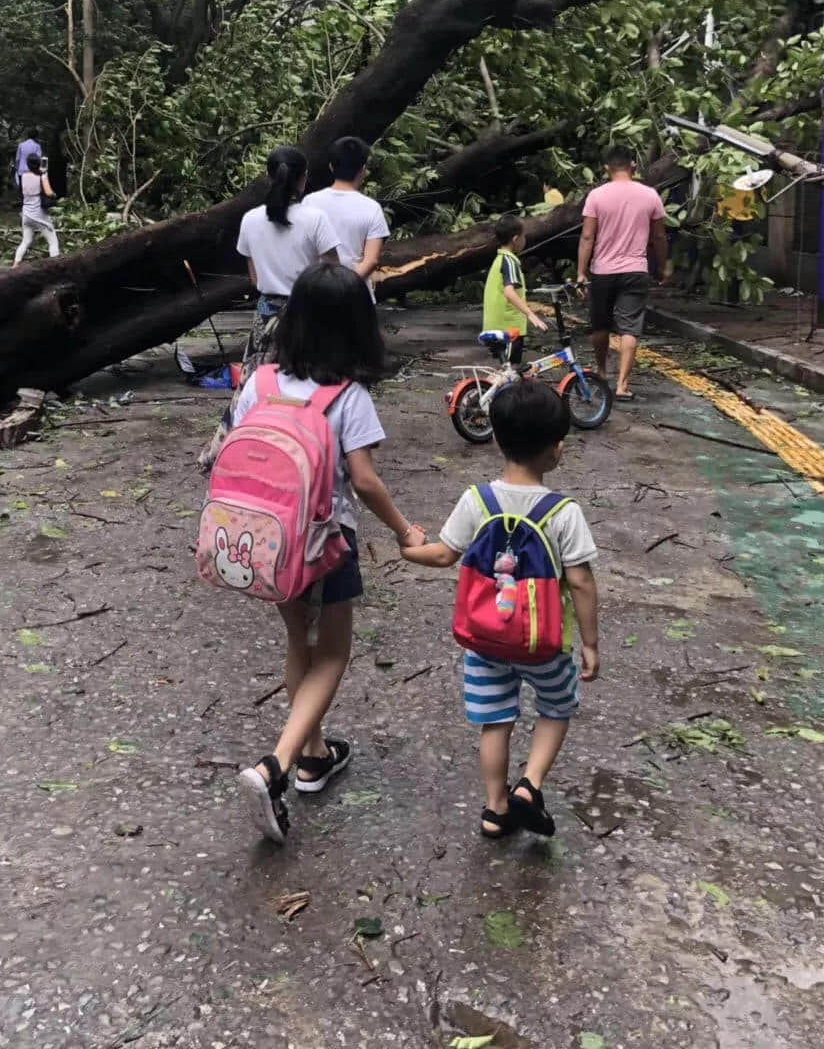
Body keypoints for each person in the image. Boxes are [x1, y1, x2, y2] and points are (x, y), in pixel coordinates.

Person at [234, 263, 426, 844]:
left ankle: (316, 755)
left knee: (300, 643)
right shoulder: (348, 395)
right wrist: (402, 530)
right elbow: (364, 482)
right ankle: (278, 764)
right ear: (355, 328)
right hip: (325, 543)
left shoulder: (260, 382)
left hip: (266, 541)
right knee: (334, 655)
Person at [401, 379, 599, 839]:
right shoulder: (563, 512)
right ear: (557, 449)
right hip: (544, 642)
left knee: (495, 719)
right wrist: (589, 643)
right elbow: (582, 581)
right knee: (555, 708)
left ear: (495, 439)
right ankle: (528, 787)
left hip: (486, 639)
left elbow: (443, 554)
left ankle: (494, 809)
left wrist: (407, 549)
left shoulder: (477, 500)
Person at [199, 146, 340, 471]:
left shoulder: (250, 221)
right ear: (303, 181)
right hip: (309, 311)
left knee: (251, 386)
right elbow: (332, 271)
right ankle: (314, 455)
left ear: (269, 177)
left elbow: (253, 276)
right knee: (316, 383)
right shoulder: (316, 219)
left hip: (266, 313)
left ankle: (221, 451)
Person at [576, 144, 668, 402]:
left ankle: (602, 371)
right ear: (634, 166)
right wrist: (662, 267)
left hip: (602, 270)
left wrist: (581, 272)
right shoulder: (650, 195)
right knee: (629, 328)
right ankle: (622, 386)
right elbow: (659, 236)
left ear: (606, 168)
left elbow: (587, 236)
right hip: (635, 270)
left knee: (600, 324)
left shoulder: (596, 195)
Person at [306, 136, 390, 300]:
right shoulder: (372, 208)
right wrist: (344, 286)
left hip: (316, 291)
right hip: (357, 293)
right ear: (363, 169)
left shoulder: (310, 202)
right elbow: (371, 261)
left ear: (331, 167)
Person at [483, 215, 549, 365]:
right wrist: (530, 314)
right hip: (509, 329)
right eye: (523, 235)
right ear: (515, 239)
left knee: (505, 371)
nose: (525, 239)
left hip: (496, 325)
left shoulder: (500, 258)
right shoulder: (510, 261)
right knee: (511, 370)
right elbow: (509, 292)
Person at [13, 154, 59, 264]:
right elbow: (48, 192)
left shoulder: (23, 176)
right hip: (38, 214)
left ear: (28, 165)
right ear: (39, 164)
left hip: (26, 214)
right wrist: (54, 194)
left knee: (26, 241)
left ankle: (15, 265)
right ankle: (55, 265)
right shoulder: (42, 176)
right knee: (53, 241)